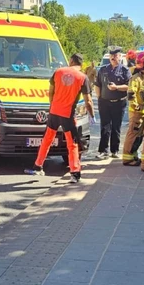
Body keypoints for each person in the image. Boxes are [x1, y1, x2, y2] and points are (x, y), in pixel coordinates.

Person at [25, 53, 95, 183]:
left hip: (54, 112)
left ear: (71, 61)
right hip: (67, 114)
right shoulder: (83, 78)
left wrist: (53, 106)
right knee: (72, 143)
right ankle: (75, 172)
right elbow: (88, 101)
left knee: (47, 139)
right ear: (81, 64)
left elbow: (50, 92)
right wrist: (92, 115)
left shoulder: (58, 72)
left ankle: (38, 166)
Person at [94, 47, 131, 159]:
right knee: (105, 127)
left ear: (120, 57)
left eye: (116, 56)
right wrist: (99, 97)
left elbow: (128, 86)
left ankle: (114, 150)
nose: (113, 58)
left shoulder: (125, 70)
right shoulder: (103, 69)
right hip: (104, 102)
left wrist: (117, 87)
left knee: (116, 127)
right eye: (111, 56)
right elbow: (97, 84)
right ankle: (103, 151)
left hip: (119, 103)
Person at [122, 51, 144, 166]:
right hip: (137, 112)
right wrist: (136, 106)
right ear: (141, 64)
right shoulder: (136, 78)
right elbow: (131, 94)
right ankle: (127, 158)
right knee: (133, 134)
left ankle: (133, 155)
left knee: (139, 136)